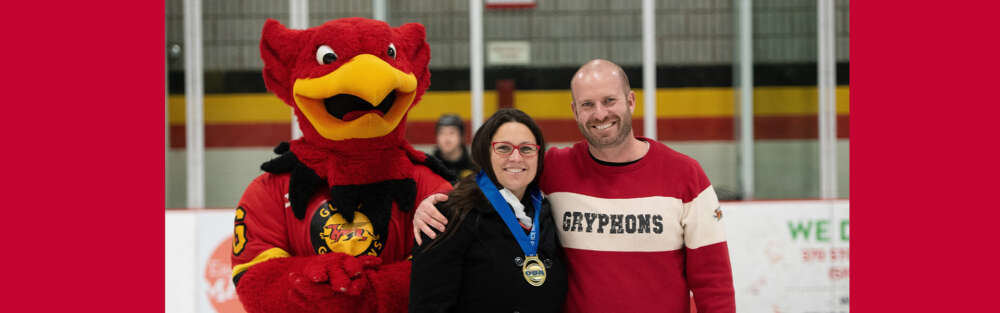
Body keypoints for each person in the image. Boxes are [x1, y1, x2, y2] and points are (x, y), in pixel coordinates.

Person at [413, 59, 735, 313]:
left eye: (609, 100)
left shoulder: (686, 176)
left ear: (631, 100)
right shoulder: (553, 168)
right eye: (588, 105)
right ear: (574, 111)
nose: (600, 114)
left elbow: (713, 284)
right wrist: (435, 200)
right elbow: (497, 182)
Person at [409, 108, 568, 313]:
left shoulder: (546, 212)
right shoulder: (449, 215)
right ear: (485, 152)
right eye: (503, 148)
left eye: (527, 149)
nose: (516, 158)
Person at [432, 114, 476, 183]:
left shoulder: (474, 167)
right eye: (441, 133)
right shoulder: (430, 167)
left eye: (452, 133)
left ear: (461, 136)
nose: (446, 138)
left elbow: (491, 192)